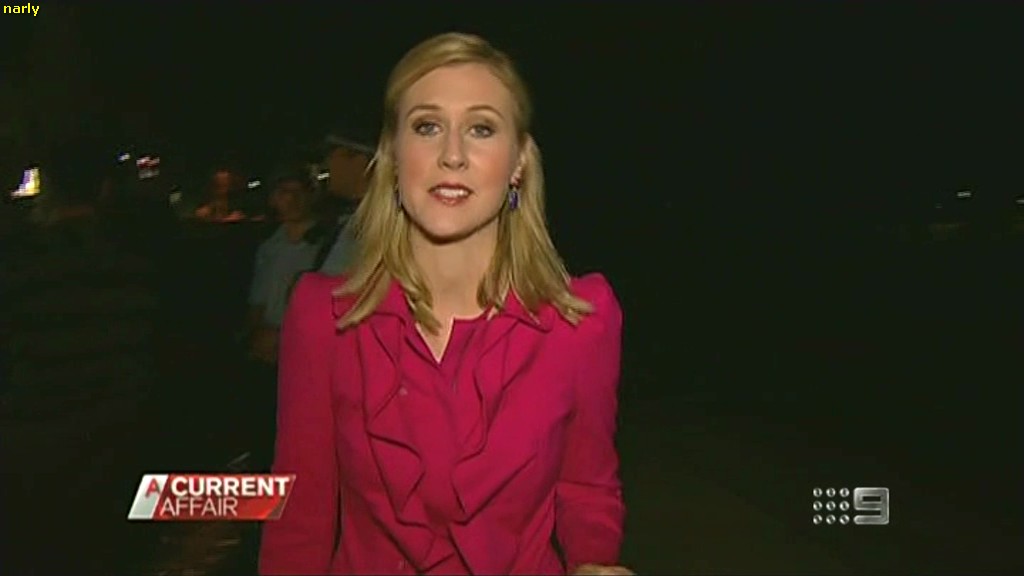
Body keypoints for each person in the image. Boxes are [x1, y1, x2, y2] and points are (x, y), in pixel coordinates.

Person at [259, 33, 632, 576]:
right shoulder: (324, 316)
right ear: (393, 157)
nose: (452, 155)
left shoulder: (580, 320)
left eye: (481, 128)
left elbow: (587, 486)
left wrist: (594, 560)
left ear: (518, 162)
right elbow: (300, 513)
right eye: (427, 127)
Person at [312, 134, 374, 275]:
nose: (326, 165)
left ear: (361, 159)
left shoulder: (377, 225)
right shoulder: (350, 221)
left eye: (332, 155)